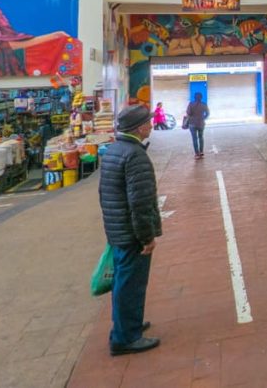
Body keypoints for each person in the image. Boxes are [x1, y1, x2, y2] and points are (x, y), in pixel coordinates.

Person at [99, 104, 161, 356]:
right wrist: (146, 236)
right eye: (148, 122)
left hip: (118, 229)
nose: (152, 125)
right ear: (139, 127)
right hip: (131, 233)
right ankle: (125, 338)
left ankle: (129, 324)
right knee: (130, 284)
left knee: (124, 282)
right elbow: (140, 202)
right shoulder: (135, 155)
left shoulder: (115, 150)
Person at [184, 94, 210, 159]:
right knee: (201, 137)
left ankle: (196, 154)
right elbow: (207, 113)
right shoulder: (204, 104)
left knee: (194, 138)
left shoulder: (191, 104)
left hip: (192, 124)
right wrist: (203, 118)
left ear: (194, 97)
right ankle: (201, 152)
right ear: (201, 97)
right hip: (201, 123)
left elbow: (188, 113)